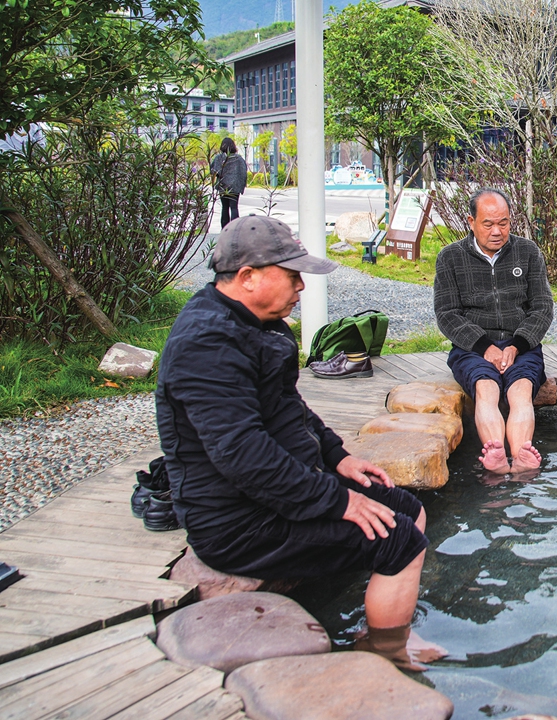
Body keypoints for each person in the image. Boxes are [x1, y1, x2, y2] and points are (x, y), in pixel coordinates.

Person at [156, 216, 443, 671]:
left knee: (407, 508)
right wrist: (338, 501)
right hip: (237, 521)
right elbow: (243, 455)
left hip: (284, 493)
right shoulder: (207, 344)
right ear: (247, 277)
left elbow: (290, 406)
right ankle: (385, 653)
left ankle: (382, 613)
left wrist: (337, 456)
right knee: (398, 541)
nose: (302, 287)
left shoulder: (258, 323)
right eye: (292, 276)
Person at [434, 188, 554, 475]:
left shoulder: (528, 252)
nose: (497, 231)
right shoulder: (450, 257)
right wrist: (484, 347)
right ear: (471, 222)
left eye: (504, 223)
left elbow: (542, 308)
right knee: (486, 388)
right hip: (472, 348)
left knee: (521, 390)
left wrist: (517, 345)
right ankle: (496, 455)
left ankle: (522, 456)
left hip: (521, 345)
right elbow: (447, 314)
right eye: (488, 224)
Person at [210, 138, 247, 229]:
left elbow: (213, 170)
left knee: (225, 207)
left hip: (223, 186)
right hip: (235, 186)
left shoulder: (219, 158)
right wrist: (242, 185)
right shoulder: (238, 159)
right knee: (234, 207)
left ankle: (225, 230)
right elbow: (243, 172)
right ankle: (235, 230)